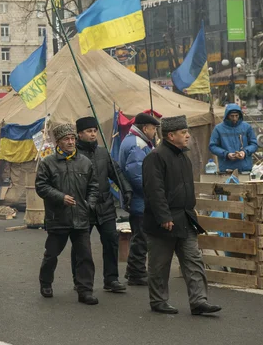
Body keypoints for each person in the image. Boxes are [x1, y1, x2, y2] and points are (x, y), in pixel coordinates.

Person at [143, 115, 221, 315]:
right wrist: (164, 216)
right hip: (164, 221)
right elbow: (154, 190)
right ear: (171, 135)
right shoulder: (155, 157)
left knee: (193, 260)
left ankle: (199, 301)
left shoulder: (184, 157)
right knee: (160, 264)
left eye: (187, 132)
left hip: (185, 218)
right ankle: (158, 301)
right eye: (183, 132)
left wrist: (191, 208)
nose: (188, 136)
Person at [35, 123, 99, 305]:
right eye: (66, 139)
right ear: (58, 142)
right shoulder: (48, 163)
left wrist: (90, 204)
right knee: (52, 254)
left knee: (85, 256)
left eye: (72, 138)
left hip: (81, 217)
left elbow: (94, 186)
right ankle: (46, 282)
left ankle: (85, 290)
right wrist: (60, 197)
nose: (71, 142)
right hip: (58, 218)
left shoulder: (85, 162)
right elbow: (41, 187)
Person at [71, 117, 132, 293]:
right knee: (81, 246)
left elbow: (116, 172)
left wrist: (126, 189)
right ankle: (79, 280)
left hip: (105, 205)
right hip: (84, 207)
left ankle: (111, 279)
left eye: (94, 131)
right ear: (80, 134)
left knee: (111, 242)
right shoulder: (74, 156)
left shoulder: (103, 153)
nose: (92, 134)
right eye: (89, 131)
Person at [118, 112, 160, 286]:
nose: (155, 133)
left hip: (136, 198)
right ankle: (136, 273)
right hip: (140, 198)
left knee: (139, 235)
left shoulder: (132, 140)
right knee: (141, 237)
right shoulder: (138, 144)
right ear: (145, 128)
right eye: (153, 129)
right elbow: (138, 175)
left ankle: (134, 271)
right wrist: (154, 193)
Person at [209, 103, 258, 173]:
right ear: (227, 116)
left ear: (239, 115)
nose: (234, 118)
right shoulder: (218, 129)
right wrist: (226, 154)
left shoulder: (247, 127)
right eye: (232, 116)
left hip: (244, 168)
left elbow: (254, 144)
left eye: (236, 116)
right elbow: (212, 146)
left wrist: (244, 152)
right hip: (226, 169)